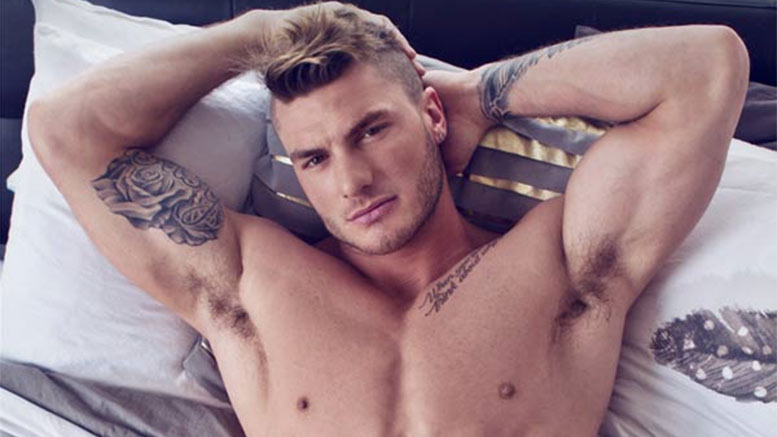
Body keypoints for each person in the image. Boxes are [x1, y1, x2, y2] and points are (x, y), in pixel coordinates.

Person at [28, 2, 748, 435]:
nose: (351, 181)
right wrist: (261, 33)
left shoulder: (558, 261)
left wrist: (479, 95)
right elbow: (66, 131)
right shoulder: (249, 286)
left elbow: (705, 67)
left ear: (430, 115)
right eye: (314, 158)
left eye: (372, 130)